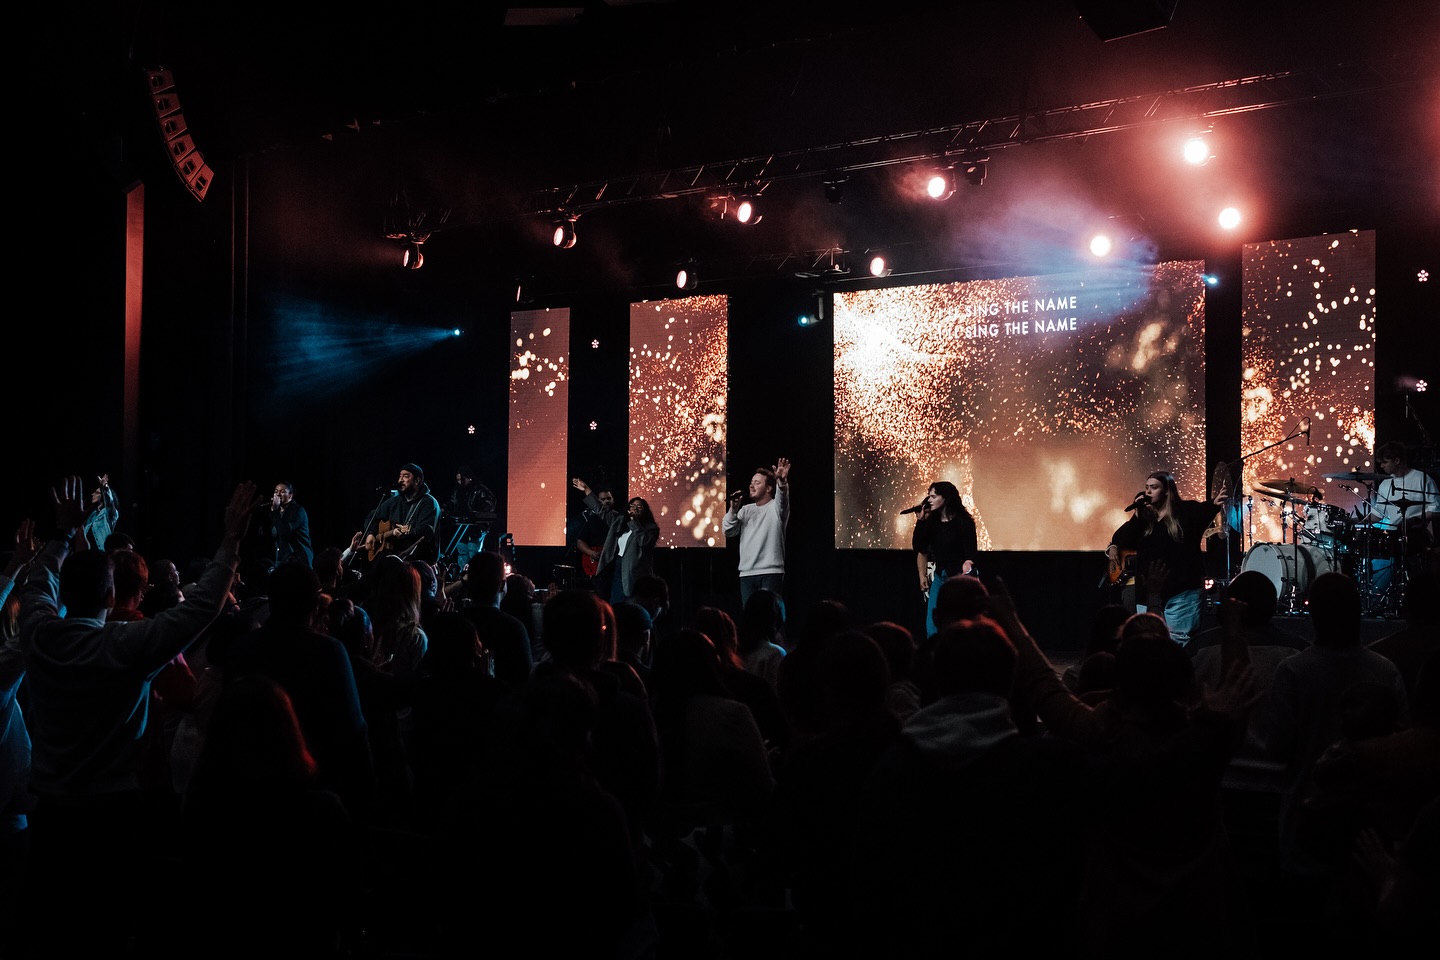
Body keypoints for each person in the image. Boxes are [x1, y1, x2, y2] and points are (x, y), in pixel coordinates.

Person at [15, 476, 256, 956]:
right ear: (111, 598)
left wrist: (62, 535)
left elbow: (39, 586)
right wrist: (231, 538)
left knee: (50, 935)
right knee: (109, 931)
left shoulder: (39, 635)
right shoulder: (126, 645)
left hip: (51, 815)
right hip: (112, 815)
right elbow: (201, 608)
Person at [1105, 470, 1225, 645]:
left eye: (1154, 487)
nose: (1148, 492)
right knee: (1148, 642)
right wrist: (1136, 517)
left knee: (1180, 642)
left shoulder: (1185, 512)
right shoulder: (1145, 519)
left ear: (1167, 491)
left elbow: (1204, 510)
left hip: (1182, 592)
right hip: (1148, 593)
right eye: (1146, 487)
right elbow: (1122, 538)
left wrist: (1215, 503)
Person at [1358, 441, 1439, 606]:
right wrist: (1357, 522)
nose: (1381, 466)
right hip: (1392, 534)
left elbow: (1436, 509)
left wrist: (1415, 520)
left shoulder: (1422, 479)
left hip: (1416, 533)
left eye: (1384, 462)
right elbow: (1378, 514)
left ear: (1397, 460)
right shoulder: (1385, 484)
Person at [570, 477, 659, 605]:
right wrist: (586, 489)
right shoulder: (620, 521)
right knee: (616, 604)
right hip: (618, 567)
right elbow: (600, 509)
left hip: (636, 571)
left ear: (645, 510)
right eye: (632, 506)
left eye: (639, 507)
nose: (635, 508)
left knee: (634, 605)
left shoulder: (651, 528)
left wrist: (634, 522)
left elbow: (644, 542)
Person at [910, 480, 980, 638]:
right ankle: (934, 648)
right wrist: (920, 521)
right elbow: (919, 546)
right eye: (929, 496)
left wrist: (968, 564)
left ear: (946, 498)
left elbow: (971, 553)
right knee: (932, 622)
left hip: (960, 578)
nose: (929, 500)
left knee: (963, 621)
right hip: (940, 577)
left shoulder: (964, 522)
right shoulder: (931, 523)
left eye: (934, 496)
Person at [722, 457, 792, 609]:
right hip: (747, 574)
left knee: (769, 616)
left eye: (757, 483)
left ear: (769, 488)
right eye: (751, 482)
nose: (751, 485)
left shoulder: (776, 508)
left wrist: (781, 482)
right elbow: (728, 531)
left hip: (770, 572)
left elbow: (782, 499)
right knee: (750, 617)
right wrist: (733, 510)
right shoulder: (746, 510)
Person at [356, 462, 442, 566]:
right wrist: (370, 533)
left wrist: (410, 532)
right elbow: (372, 517)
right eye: (400, 476)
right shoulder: (394, 501)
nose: (400, 480)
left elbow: (426, 531)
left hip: (419, 561)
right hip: (394, 558)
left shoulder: (429, 503)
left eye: (405, 476)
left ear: (417, 481)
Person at [438, 465, 496, 576]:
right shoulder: (458, 491)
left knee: (473, 553)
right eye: (458, 480)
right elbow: (451, 503)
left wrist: (477, 512)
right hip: (461, 528)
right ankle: (463, 576)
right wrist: (444, 509)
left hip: (476, 528)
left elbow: (489, 502)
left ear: (469, 478)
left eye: (462, 479)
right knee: (462, 553)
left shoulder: (479, 490)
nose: (460, 482)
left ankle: (475, 576)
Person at [265, 480, 313, 570]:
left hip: (299, 561)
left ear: (290, 495)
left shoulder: (298, 511)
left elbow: (284, 531)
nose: (278, 495)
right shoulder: (278, 513)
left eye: (282, 492)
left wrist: (274, 511)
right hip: (282, 561)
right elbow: (274, 534)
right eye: (276, 492)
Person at [573, 483, 615, 583]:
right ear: (598, 502)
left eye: (609, 498)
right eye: (603, 499)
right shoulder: (592, 520)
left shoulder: (619, 518)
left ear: (613, 499)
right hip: (597, 566)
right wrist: (591, 553)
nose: (606, 501)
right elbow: (580, 541)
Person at [81, 472, 119, 553]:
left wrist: (106, 487)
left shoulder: (108, 514)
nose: (93, 494)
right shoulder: (89, 513)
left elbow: (111, 503)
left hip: (102, 554)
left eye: (97, 493)